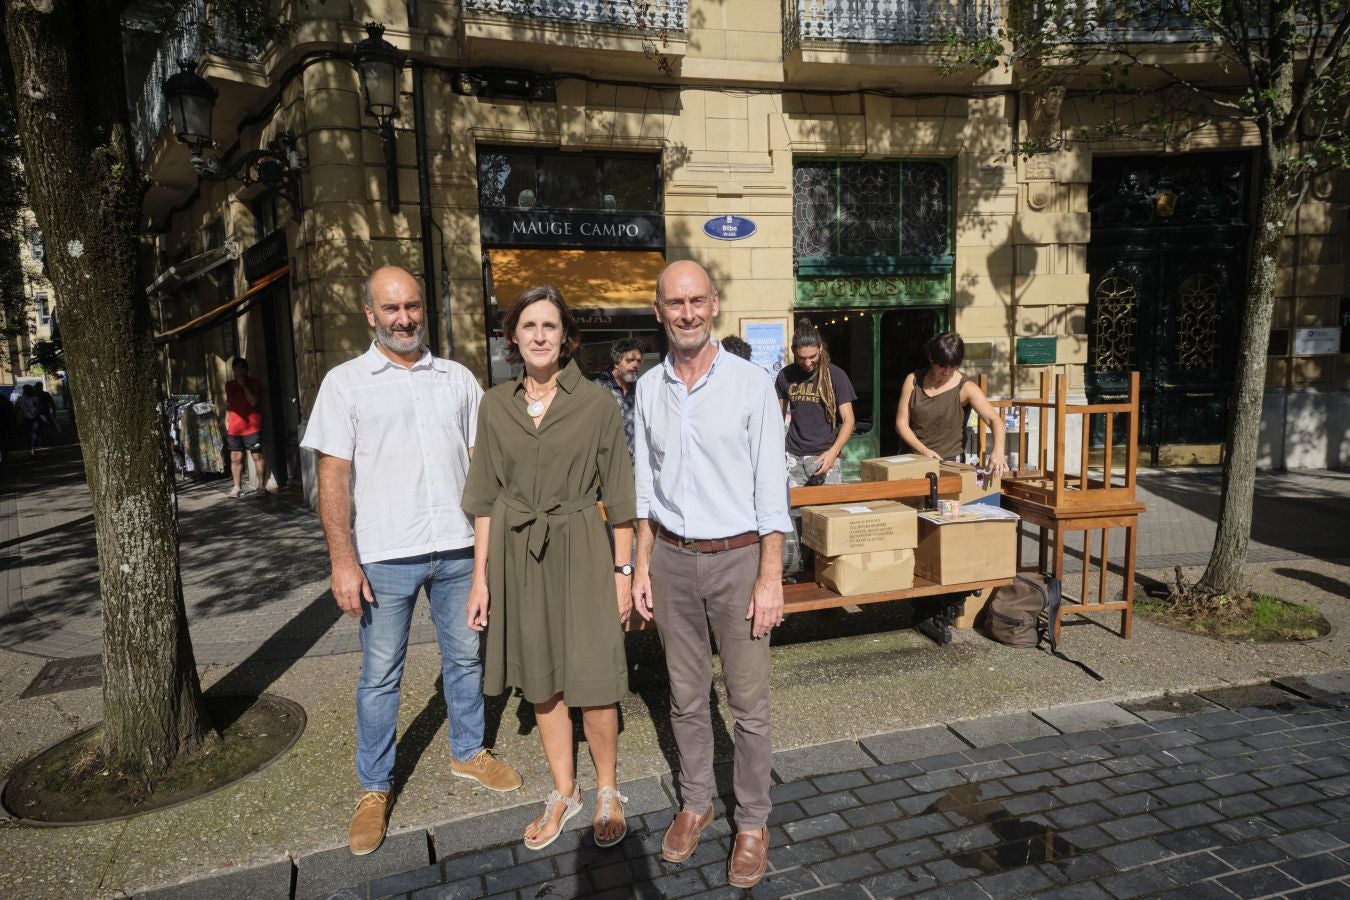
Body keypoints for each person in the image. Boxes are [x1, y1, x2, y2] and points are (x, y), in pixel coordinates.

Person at [302, 266, 522, 857]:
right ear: (370, 315)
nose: (404, 319)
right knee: (380, 675)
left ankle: (468, 751)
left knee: (465, 657)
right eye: (391, 308)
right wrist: (342, 561)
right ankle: (374, 786)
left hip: (456, 547)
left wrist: (488, 553)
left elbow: (482, 467)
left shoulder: (457, 378)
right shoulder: (345, 383)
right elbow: (333, 477)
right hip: (384, 555)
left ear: (423, 308)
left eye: (412, 306)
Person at [632, 260, 792, 890]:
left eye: (697, 300)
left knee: (748, 704)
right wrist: (640, 566)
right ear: (659, 311)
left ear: (715, 304)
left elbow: (771, 491)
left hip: (738, 560)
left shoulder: (752, 384)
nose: (688, 313)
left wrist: (770, 577)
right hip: (671, 560)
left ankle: (752, 821)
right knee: (685, 696)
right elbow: (645, 488)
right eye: (676, 303)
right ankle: (696, 801)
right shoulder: (649, 388)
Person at [462, 285, 637, 852]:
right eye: (529, 326)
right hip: (518, 554)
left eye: (550, 326)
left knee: (596, 676)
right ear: (513, 337)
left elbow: (622, 499)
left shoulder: (598, 404)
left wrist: (624, 574)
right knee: (541, 679)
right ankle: (565, 790)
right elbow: (485, 499)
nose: (539, 335)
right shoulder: (494, 405)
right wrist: (480, 579)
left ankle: (607, 788)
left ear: (566, 338)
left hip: (582, 547)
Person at [895, 331, 1008, 478]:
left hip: (948, 462)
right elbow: (901, 424)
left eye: (953, 365)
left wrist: (998, 452)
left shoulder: (967, 388)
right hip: (913, 458)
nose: (947, 371)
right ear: (931, 358)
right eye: (942, 365)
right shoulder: (913, 380)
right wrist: (923, 450)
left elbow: (995, 420)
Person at [775, 318, 857, 487]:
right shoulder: (785, 375)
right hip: (792, 457)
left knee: (826, 504)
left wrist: (833, 452)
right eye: (801, 358)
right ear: (794, 351)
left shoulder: (836, 375)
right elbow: (776, 418)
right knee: (793, 505)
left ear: (820, 348)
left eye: (812, 357)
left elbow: (849, 421)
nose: (807, 363)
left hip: (825, 456)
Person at [592, 337, 643, 457]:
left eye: (638, 361)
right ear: (616, 363)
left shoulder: (639, 389)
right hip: (608, 461)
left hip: (636, 462)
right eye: (630, 360)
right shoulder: (596, 389)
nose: (636, 365)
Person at [225, 358, 267, 498]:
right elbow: (229, 404)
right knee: (235, 457)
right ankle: (237, 487)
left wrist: (244, 386)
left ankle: (261, 486)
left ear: (246, 369)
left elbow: (253, 401)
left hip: (251, 426)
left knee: (257, 455)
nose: (239, 370)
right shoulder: (229, 385)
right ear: (233, 370)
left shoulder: (254, 382)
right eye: (236, 368)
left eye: (242, 368)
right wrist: (227, 419)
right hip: (234, 427)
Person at [16, 384, 42, 454]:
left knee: (27, 433)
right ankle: (33, 448)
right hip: (35, 417)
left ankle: (30, 448)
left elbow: (17, 408)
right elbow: (39, 407)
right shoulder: (35, 398)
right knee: (34, 433)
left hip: (26, 418)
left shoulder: (21, 398)